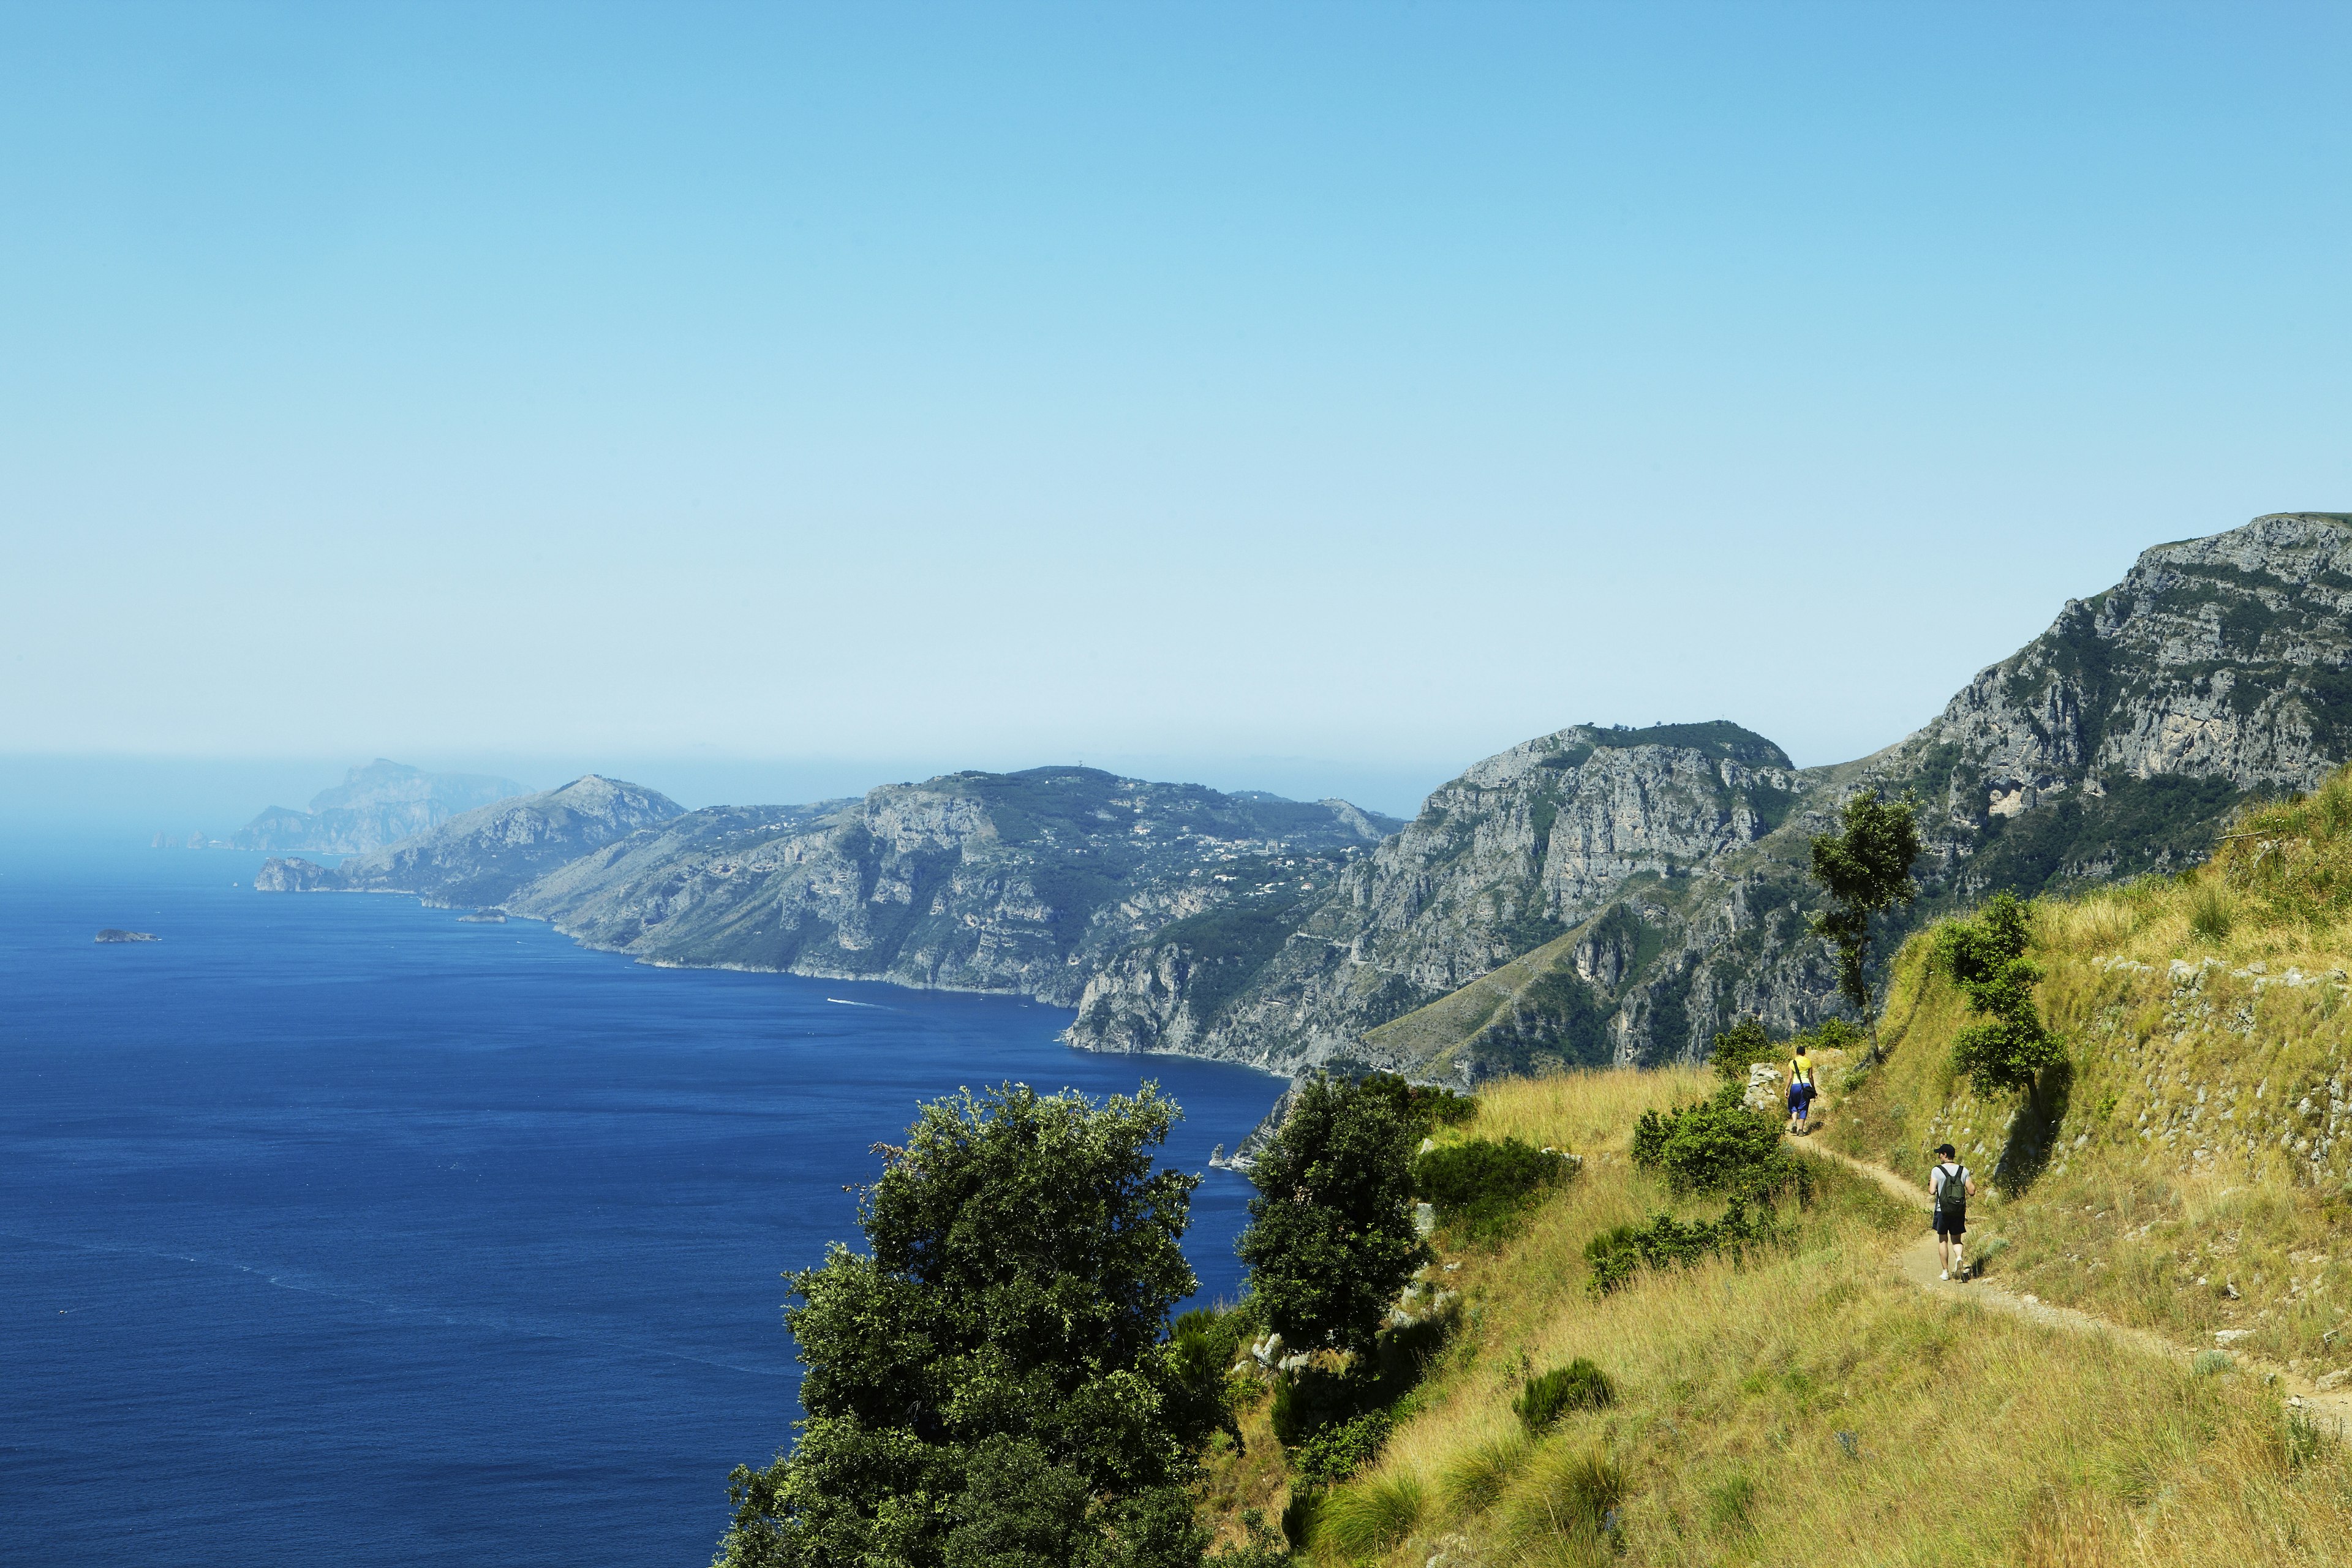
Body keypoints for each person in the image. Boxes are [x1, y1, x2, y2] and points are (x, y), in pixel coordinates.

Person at [1929, 1143, 1976, 1281]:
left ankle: (1945, 1272)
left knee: (1943, 1239)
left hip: (1942, 1210)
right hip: (1958, 1210)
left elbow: (1932, 1191)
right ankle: (1959, 1258)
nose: (1939, 1156)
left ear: (1944, 1155)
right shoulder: (1963, 1170)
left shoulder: (1937, 1170)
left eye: (1940, 1154)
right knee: (1956, 1239)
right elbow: (1972, 1191)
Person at [1786, 1044, 1816, 1135]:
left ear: (1797, 1053)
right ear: (1804, 1053)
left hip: (1795, 1086)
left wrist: (1786, 1089)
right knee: (1803, 1107)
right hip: (1806, 1086)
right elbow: (1810, 1077)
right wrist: (1813, 1088)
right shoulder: (1808, 1062)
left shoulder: (1793, 1062)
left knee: (1793, 1105)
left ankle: (1794, 1122)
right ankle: (1801, 1130)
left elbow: (1790, 1077)